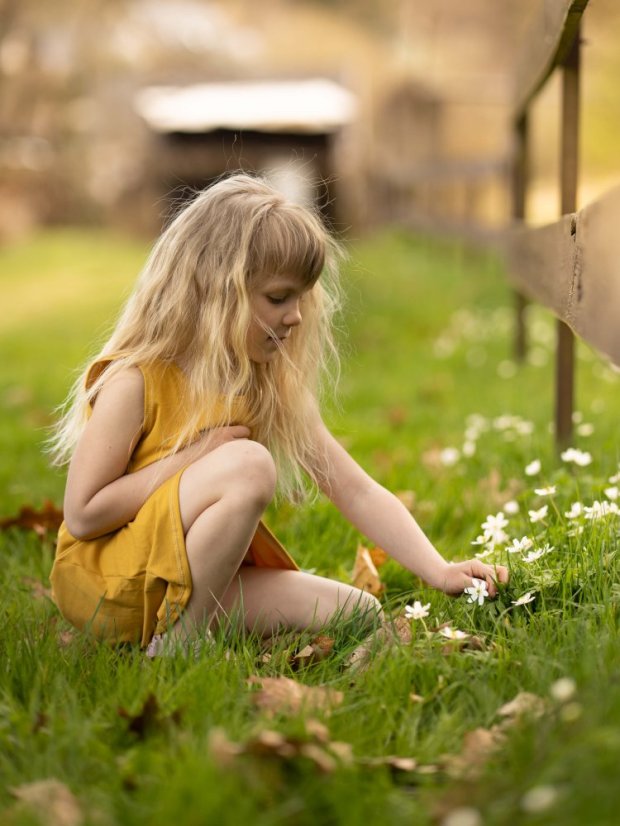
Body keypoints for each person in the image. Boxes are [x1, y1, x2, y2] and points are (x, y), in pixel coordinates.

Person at [48, 173, 508, 655]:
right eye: (278, 298)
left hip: (182, 581)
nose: (296, 316)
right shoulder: (136, 381)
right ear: (216, 290)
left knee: (357, 611)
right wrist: (198, 455)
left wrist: (439, 570)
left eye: (301, 297)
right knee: (249, 464)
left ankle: (186, 621)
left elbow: (355, 489)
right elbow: (83, 514)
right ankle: (178, 645)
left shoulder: (263, 384)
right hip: (109, 583)